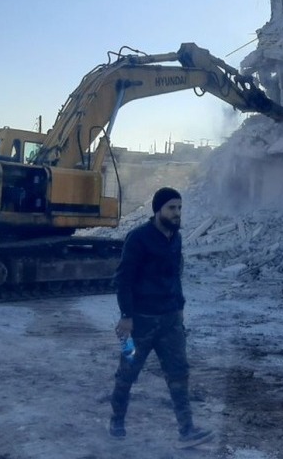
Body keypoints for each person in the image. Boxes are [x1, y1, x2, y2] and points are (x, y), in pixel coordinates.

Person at [108, 187, 213, 448]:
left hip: (170, 323)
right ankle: (116, 422)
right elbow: (123, 280)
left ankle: (187, 431)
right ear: (158, 210)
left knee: (179, 374)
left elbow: (175, 275)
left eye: (179, 208)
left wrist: (178, 307)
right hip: (138, 324)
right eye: (171, 208)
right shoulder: (138, 238)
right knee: (126, 373)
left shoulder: (175, 238)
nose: (177, 213)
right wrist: (126, 317)